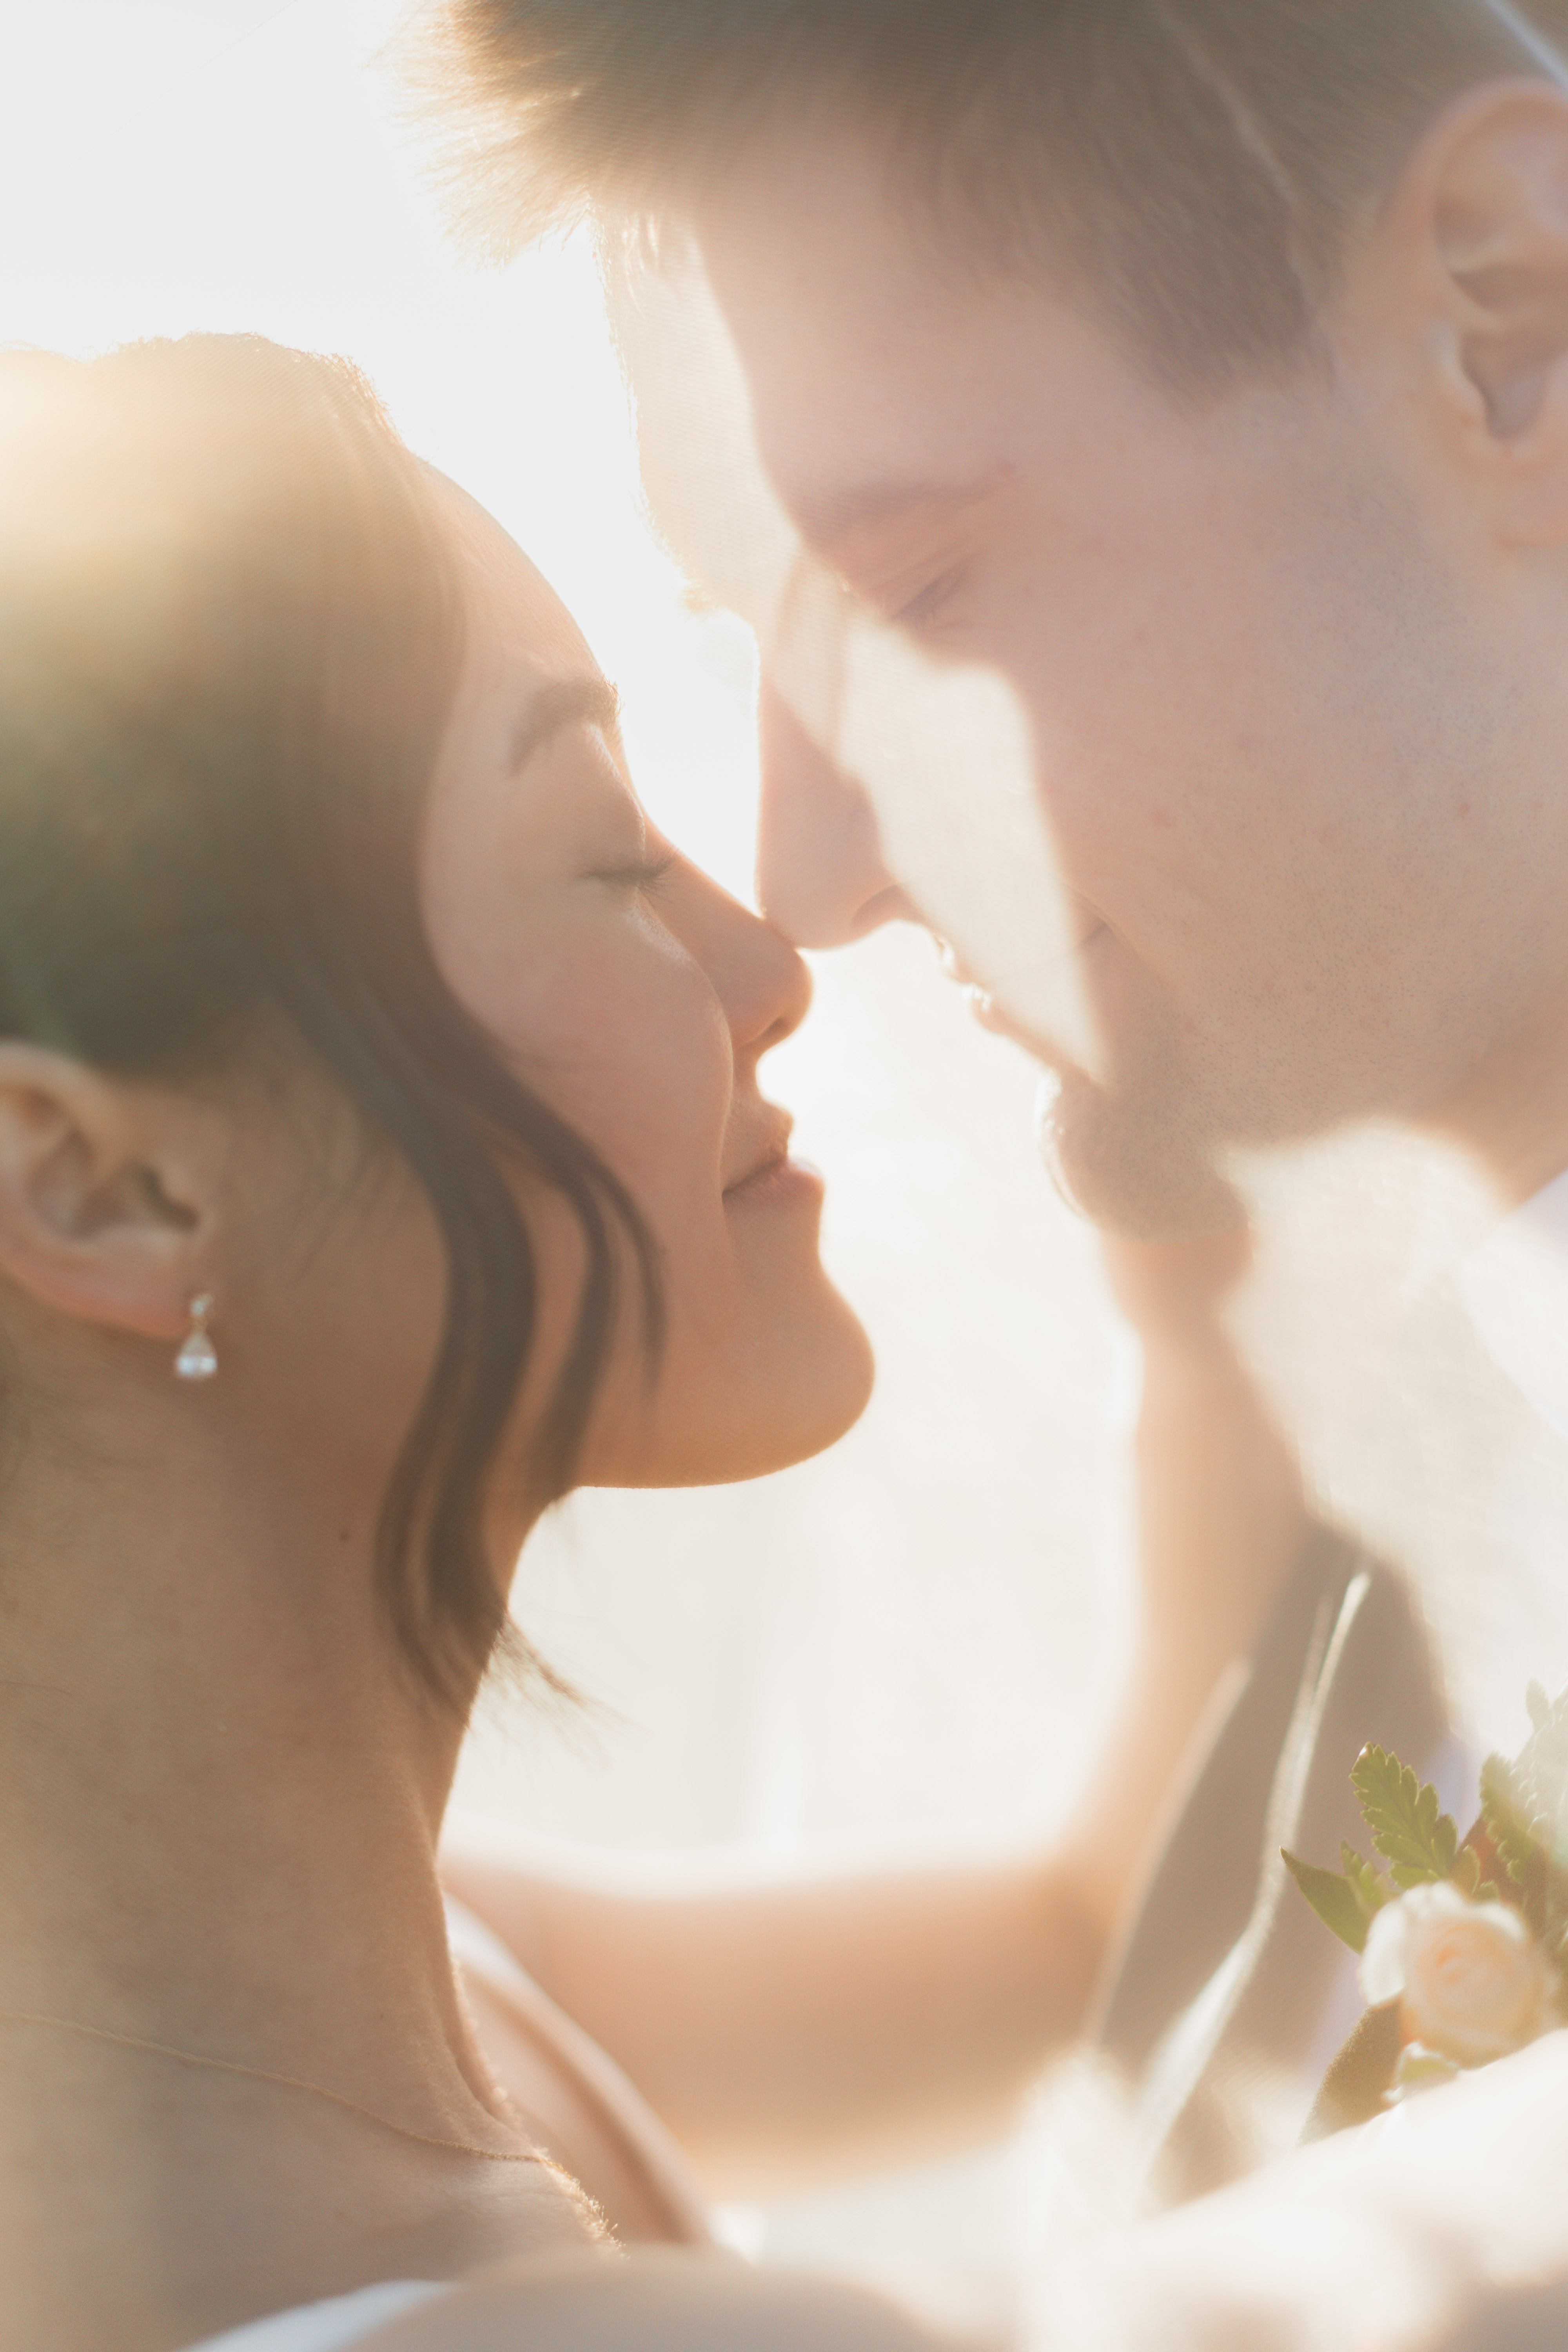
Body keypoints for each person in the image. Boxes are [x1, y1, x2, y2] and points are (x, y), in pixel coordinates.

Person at [396, 0, 1568, 2340]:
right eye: (749, 649)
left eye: (920, 597)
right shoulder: (1399, 1560)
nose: (803, 877)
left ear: (1510, 334)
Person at [0, 332, 1310, 2352]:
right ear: (109, 1191)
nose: (767, 959)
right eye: (608, 851)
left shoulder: (439, 1994)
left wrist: (1196, 1157)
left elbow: (1099, 1921)